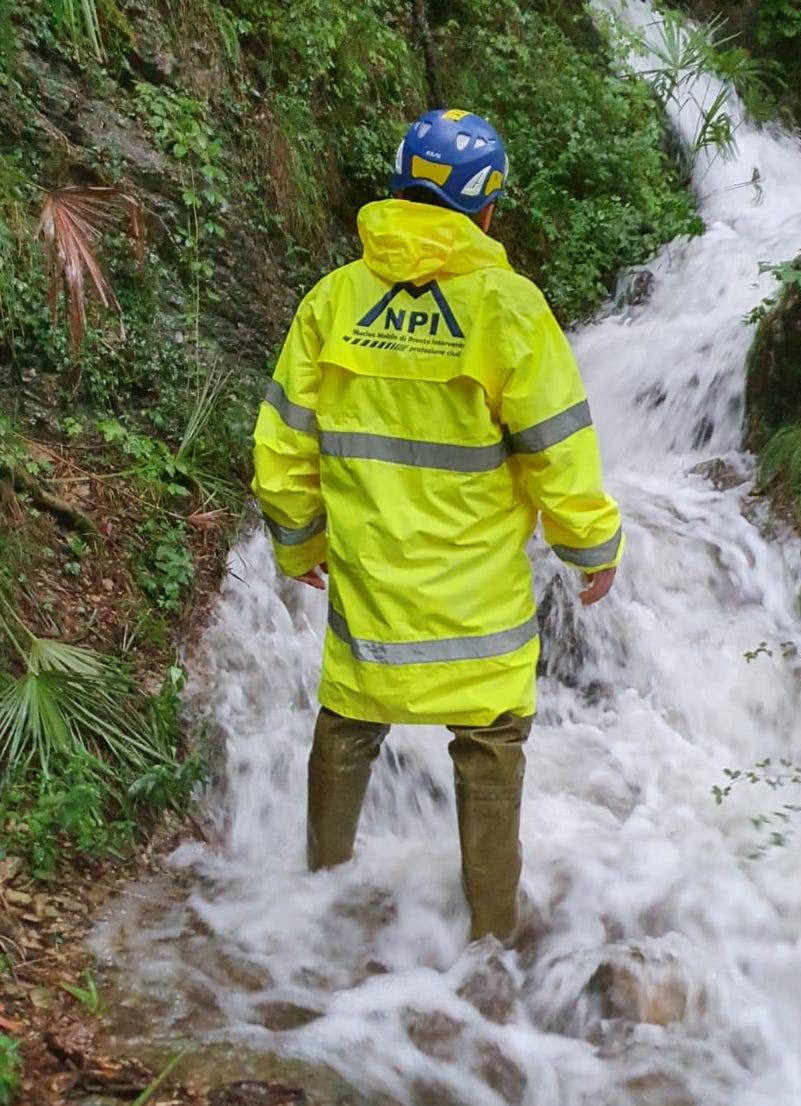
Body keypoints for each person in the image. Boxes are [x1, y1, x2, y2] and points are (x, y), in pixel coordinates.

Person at [252, 108, 623, 943]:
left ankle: (316, 905)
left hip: (371, 591)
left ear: (397, 184)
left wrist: (298, 540)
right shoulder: (509, 309)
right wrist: (590, 546)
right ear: (488, 207)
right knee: (490, 743)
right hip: (477, 605)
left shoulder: (333, 301)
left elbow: (282, 442)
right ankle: (492, 937)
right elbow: (556, 449)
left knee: (348, 718)